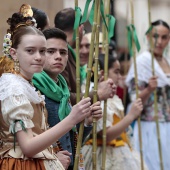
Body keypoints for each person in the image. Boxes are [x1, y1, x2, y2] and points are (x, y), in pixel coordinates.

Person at [0, 4, 99, 170]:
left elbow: (44, 136)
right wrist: (71, 119)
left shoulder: (27, 84)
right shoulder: (13, 88)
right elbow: (28, 147)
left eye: (42, 50)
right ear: (14, 53)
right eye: (30, 51)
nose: (39, 57)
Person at [33, 28, 102, 170]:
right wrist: (49, 158)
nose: (58, 56)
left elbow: (72, 143)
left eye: (63, 52)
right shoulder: (31, 89)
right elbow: (23, 142)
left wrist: (87, 122)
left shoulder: (63, 90)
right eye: (51, 51)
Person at [82, 54, 146, 170]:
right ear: (102, 73)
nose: (119, 76)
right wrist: (130, 116)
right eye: (116, 72)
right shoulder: (98, 99)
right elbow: (106, 135)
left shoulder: (114, 98)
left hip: (120, 150)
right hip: (103, 153)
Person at [126, 19, 170, 170]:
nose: (159, 41)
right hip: (149, 126)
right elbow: (134, 100)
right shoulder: (142, 62)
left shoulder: (167, 61)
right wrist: (148, 89)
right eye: (155, 36)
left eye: (164, 37)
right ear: (148, 37)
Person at [54, 8, 115, 106]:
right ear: (80, 29)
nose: (84, 51)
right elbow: (63, 97)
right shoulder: (64, 54)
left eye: (88, 46)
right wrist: (97, 94)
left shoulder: (70, 54)